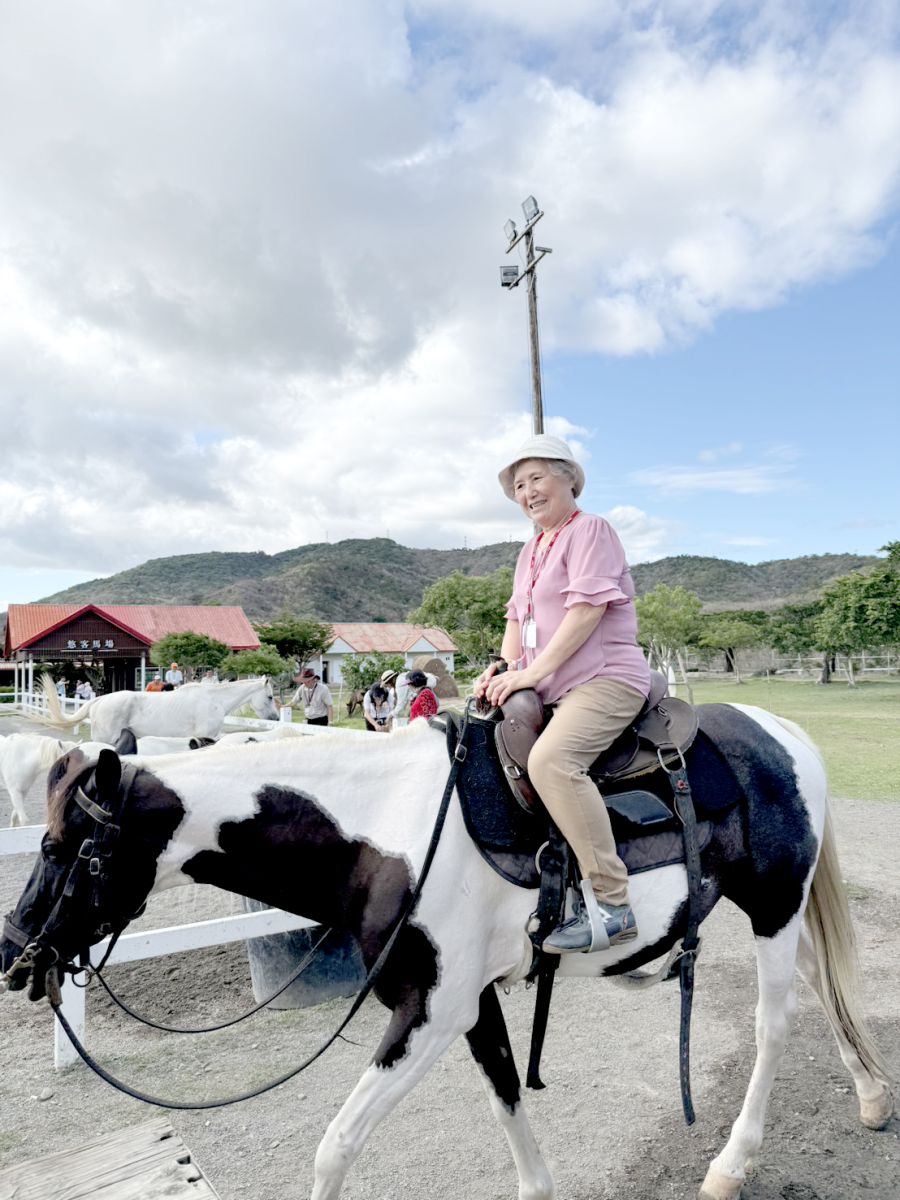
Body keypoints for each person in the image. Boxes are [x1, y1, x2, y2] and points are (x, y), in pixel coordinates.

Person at [475, 434, 650, 954]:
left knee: (552, 762)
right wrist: (505, 669)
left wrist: (531, 673)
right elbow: (516, 618)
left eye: (536, 478)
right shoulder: (530, 549)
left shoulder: (591, 530)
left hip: (605, 678)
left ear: (569, 478)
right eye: (518, 485)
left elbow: (586, 612)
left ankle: (613, 905)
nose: (527, 491)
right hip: (549, 679)